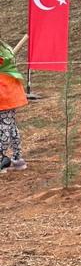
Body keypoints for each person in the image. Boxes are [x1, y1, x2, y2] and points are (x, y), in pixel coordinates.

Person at [0, 37, 28, 171]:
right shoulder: (5, 47)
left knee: (4, 127)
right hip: (11, 91)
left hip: (4, 93)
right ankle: (18, 159)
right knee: (11, 126)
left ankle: (1, 158)